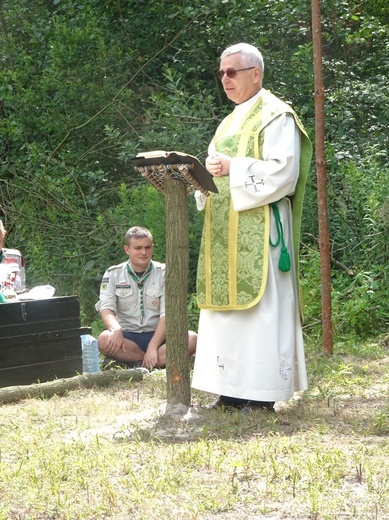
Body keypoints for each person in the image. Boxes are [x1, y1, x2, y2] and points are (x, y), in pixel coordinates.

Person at [192, 43, 312, 412]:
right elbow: (216, 166)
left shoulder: (277, 115)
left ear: (255, 73)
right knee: (226, 316)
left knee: (260, 315)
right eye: (221, 73)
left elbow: (284, 173)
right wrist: (201, 179)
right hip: (224, 230)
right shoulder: (228, 121)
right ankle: (230, 391)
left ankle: (261, 397)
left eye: (232, 72)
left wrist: (235, 168)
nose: (224, 80)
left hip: (262, 232)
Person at [95, 226, 197, 370]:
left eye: (148, 247)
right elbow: (106, 308)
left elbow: (167, 313)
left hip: (160, 335)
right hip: (129, 337)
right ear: (127, 249)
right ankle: (150, 360)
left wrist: (153, 346)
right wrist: (115, 328)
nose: (144, 252)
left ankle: (140, 362)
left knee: (192, 339)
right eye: (138, 248)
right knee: (104, 339)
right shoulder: (113, 274)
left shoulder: (164, 273)